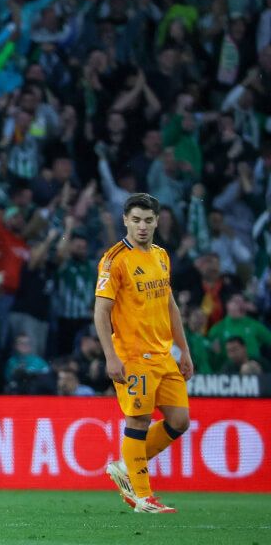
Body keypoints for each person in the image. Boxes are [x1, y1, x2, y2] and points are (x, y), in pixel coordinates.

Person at [94, 193, 194, 514]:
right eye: (136, 220)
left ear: (157, 222)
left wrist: (184, 350)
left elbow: (170, 305)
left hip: (163, 355)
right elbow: (101, 312)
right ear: (125, 220)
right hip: (133, 356)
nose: (142, 226)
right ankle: (143, 497)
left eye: (148, 220)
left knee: (180, 421)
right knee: (138, 420)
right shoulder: (114, 259)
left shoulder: (162, 256)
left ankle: (127, 465)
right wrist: (110, 356)